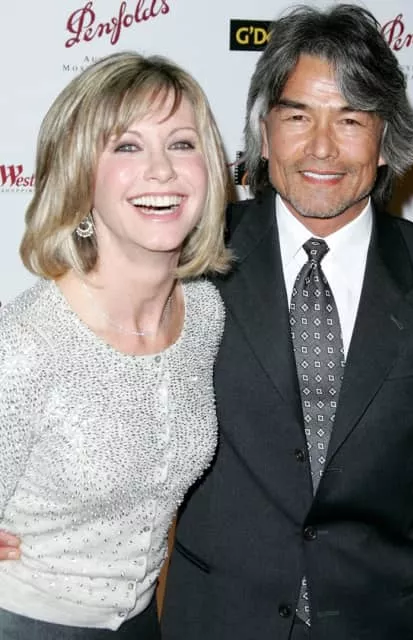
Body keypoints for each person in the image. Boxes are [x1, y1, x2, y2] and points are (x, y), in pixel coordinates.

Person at [159, 4, 413, 640]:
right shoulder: (186, 257)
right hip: (218, 619)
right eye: (298, 116)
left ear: (386, 140)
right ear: (264, 131)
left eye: (351, 119)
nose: (322, 148)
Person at [0, 51, 230, 639]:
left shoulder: (203, 314)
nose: (162, 170)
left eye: (181, 144)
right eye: (127, 146)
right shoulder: (27, 342)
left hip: (141, 623)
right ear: (81, 176)